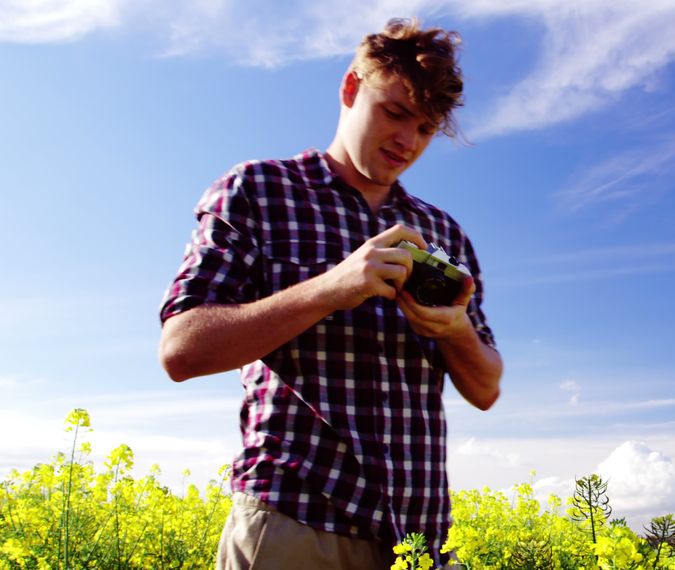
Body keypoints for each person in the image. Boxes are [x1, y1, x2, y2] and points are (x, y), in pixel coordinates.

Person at [157, 17, 502, 569]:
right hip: (294, 526)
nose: (406, 141)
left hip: (418, 541)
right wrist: (330, 288)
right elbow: (181, 349)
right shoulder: (257, 190)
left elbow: (486, 388)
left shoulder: (444, 235)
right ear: (349, 89)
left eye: (425, 128)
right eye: (394, 113)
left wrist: (453, 329)